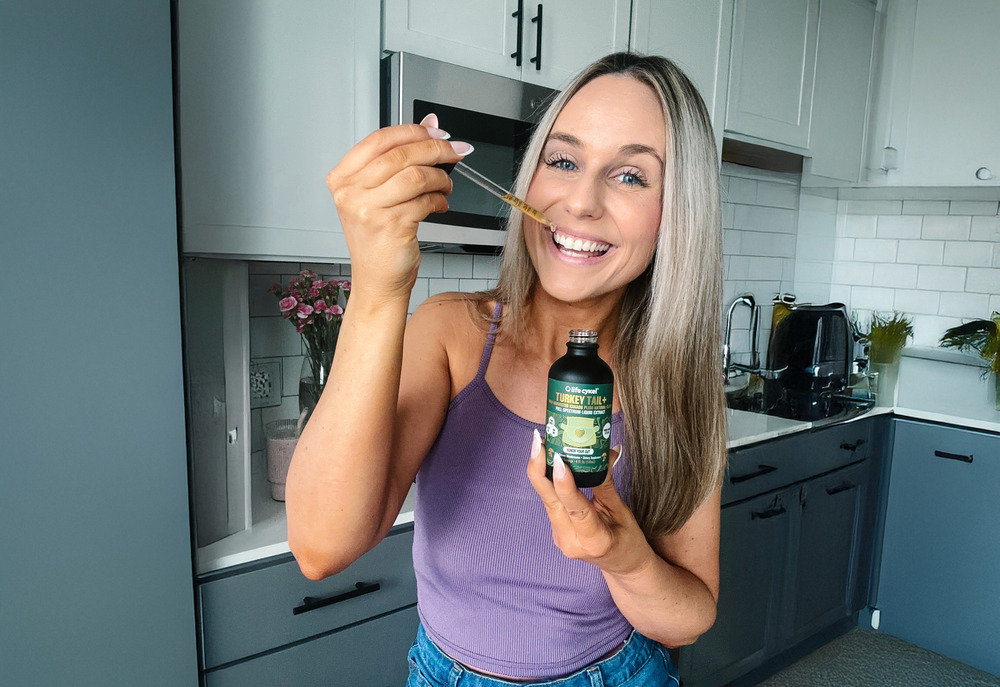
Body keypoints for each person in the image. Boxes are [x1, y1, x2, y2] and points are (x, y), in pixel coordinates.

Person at [286, 52, 727, 686]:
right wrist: (380, 285)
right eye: (564, 160)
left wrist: (622, 557)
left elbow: (688, 618)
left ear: (678, 212)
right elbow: (320, 548)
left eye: (630, 176)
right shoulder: (450, 336)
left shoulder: (682, 384)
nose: (580, 201)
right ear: (530, 177)